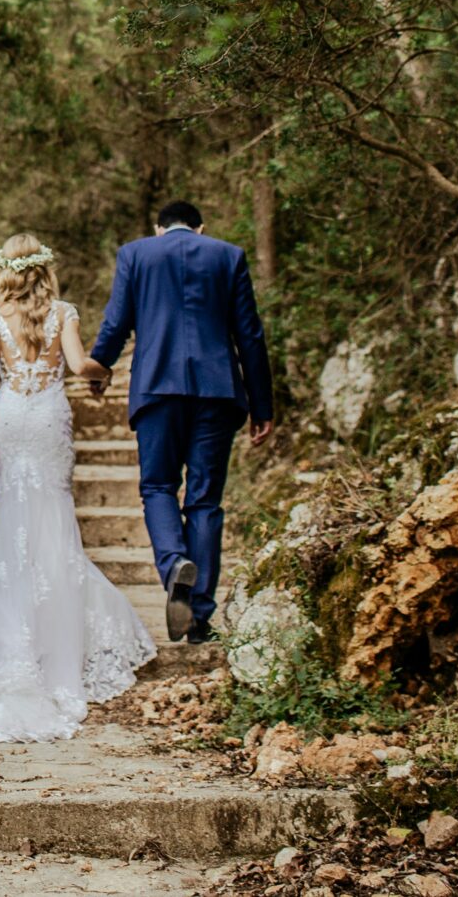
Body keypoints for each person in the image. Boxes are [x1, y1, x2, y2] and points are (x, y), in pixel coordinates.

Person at [0, 234, 156, 742]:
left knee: (11, 524)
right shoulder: (64, 313)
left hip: (10, 421)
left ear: (6, 271)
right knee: (54, 520)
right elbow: (81, 367)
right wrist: (105, 372)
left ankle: (14, 639)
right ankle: (58, 643)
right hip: (49, 420)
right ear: (45, 269)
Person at [81, 200, 275, 644]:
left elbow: (117, 321)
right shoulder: (228, 256)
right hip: (217, 390)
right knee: (205, 501)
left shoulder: (136, 254)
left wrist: (100, 369)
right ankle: (199, 619)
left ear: (158, 227)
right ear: (200, 227)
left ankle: (173, 566)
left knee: (158, 487)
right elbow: (250, 334)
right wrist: (262, 406)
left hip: (156, 389)